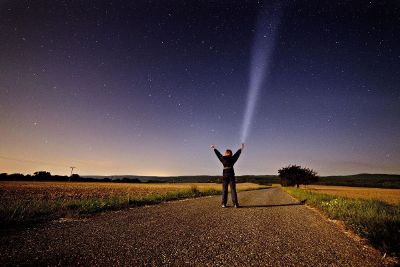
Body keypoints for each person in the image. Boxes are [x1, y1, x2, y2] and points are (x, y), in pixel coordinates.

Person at [211, 143, 244, 208]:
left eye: (225, 152)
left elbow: (218, 154)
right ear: (231, 154)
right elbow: (237, 154)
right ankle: (235, 204)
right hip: (231, 174)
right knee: (233, 189)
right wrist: (241, 148)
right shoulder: (233, 158)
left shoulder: (223, 158)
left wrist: (214, 148)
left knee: (224, 189)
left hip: (225, 175)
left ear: (226, 153)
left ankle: (223, 204)